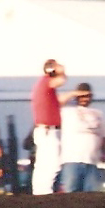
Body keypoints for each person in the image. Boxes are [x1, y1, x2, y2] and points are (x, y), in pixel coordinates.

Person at [30, 59, 87, 195]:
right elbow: (61, 80)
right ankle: (43, 193)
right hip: (48, 131)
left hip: (46, 131)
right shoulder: (46, 81)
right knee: (51, 164)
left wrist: (73, 94)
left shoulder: (44, 86)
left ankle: (41, 192)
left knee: (45, 165)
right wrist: (61, 70)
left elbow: (58, 101)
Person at [59, 82, 105, 193]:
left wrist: (104, 153)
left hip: (92, 161)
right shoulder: (66, 111)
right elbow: (56, 103)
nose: (85, 99)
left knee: (91, 196)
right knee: (70, 193)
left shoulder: (98, 113)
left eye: (88, 96)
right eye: (82, 96)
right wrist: (74, 93)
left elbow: (104, 135)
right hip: (72, 160)